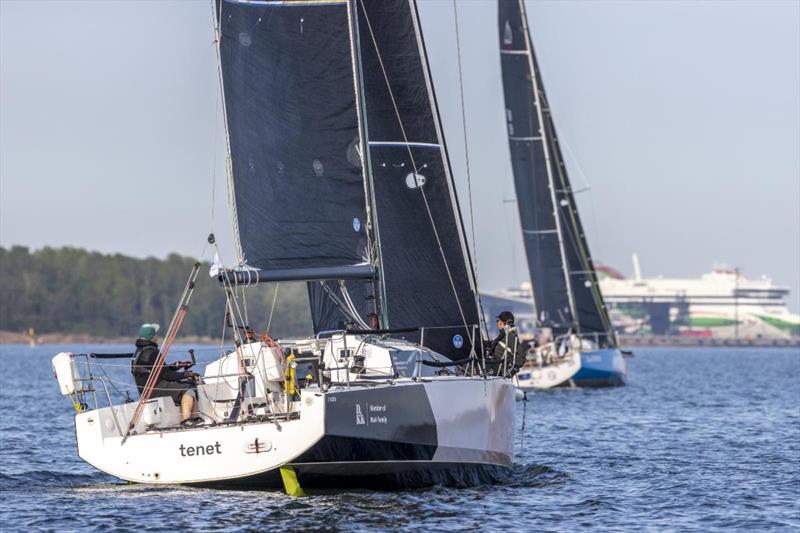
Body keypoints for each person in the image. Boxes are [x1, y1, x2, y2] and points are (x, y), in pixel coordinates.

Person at [131, 323, 201, 427]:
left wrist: (177, 365)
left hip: (146, 389)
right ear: (152, 337)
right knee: (189, 387)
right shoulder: (152, 352)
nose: (157, 336)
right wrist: (185, 374)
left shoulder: (139, 352)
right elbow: (167, 374)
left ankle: (195, 419)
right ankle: (186, 420)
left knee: (187, 383)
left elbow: (161, 371)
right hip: (154, 389)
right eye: (155, 334)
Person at [487, 311, 524, 376]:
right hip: (493, 368)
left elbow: (521, 356)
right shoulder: (504, 335)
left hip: (498, 371)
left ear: (502, 323)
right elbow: (497, 344)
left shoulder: (510, 336)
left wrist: (512, 370)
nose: (497, 323)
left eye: (498, 321)